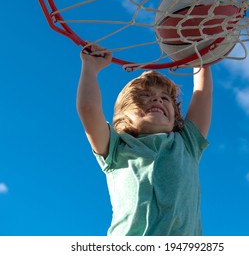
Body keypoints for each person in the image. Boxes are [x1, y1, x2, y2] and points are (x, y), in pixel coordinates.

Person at [76, 43, 213, 236]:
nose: (157, 100)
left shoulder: (187, 143)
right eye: (145, 96)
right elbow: (88, 109)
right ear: (124, 115)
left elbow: (203, 93)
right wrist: (90, 65)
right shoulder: (117, 147)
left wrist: (202, 59)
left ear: (175, 117)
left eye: (165, 98)